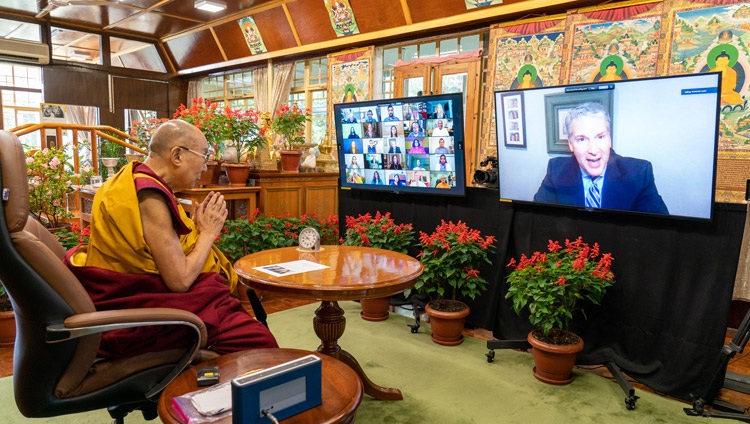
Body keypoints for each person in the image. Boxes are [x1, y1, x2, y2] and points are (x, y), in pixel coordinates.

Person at [64, 120, 277, 359]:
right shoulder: (149, 195)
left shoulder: (129, 179)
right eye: (204, 156)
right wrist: (208, 232)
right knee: (260, 342)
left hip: (142, 296)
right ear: (177, 155)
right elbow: (180, 280)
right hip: (146, 314)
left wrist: (195, 229)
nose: (206, 166)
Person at [533, 102, 668, 214]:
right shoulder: (556, 171)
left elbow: (660, 231)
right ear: (570, 144)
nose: (593, 150)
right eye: (581, 139)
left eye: (600, 137)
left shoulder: (639, 174)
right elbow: (537, 219)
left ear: (610, 139)